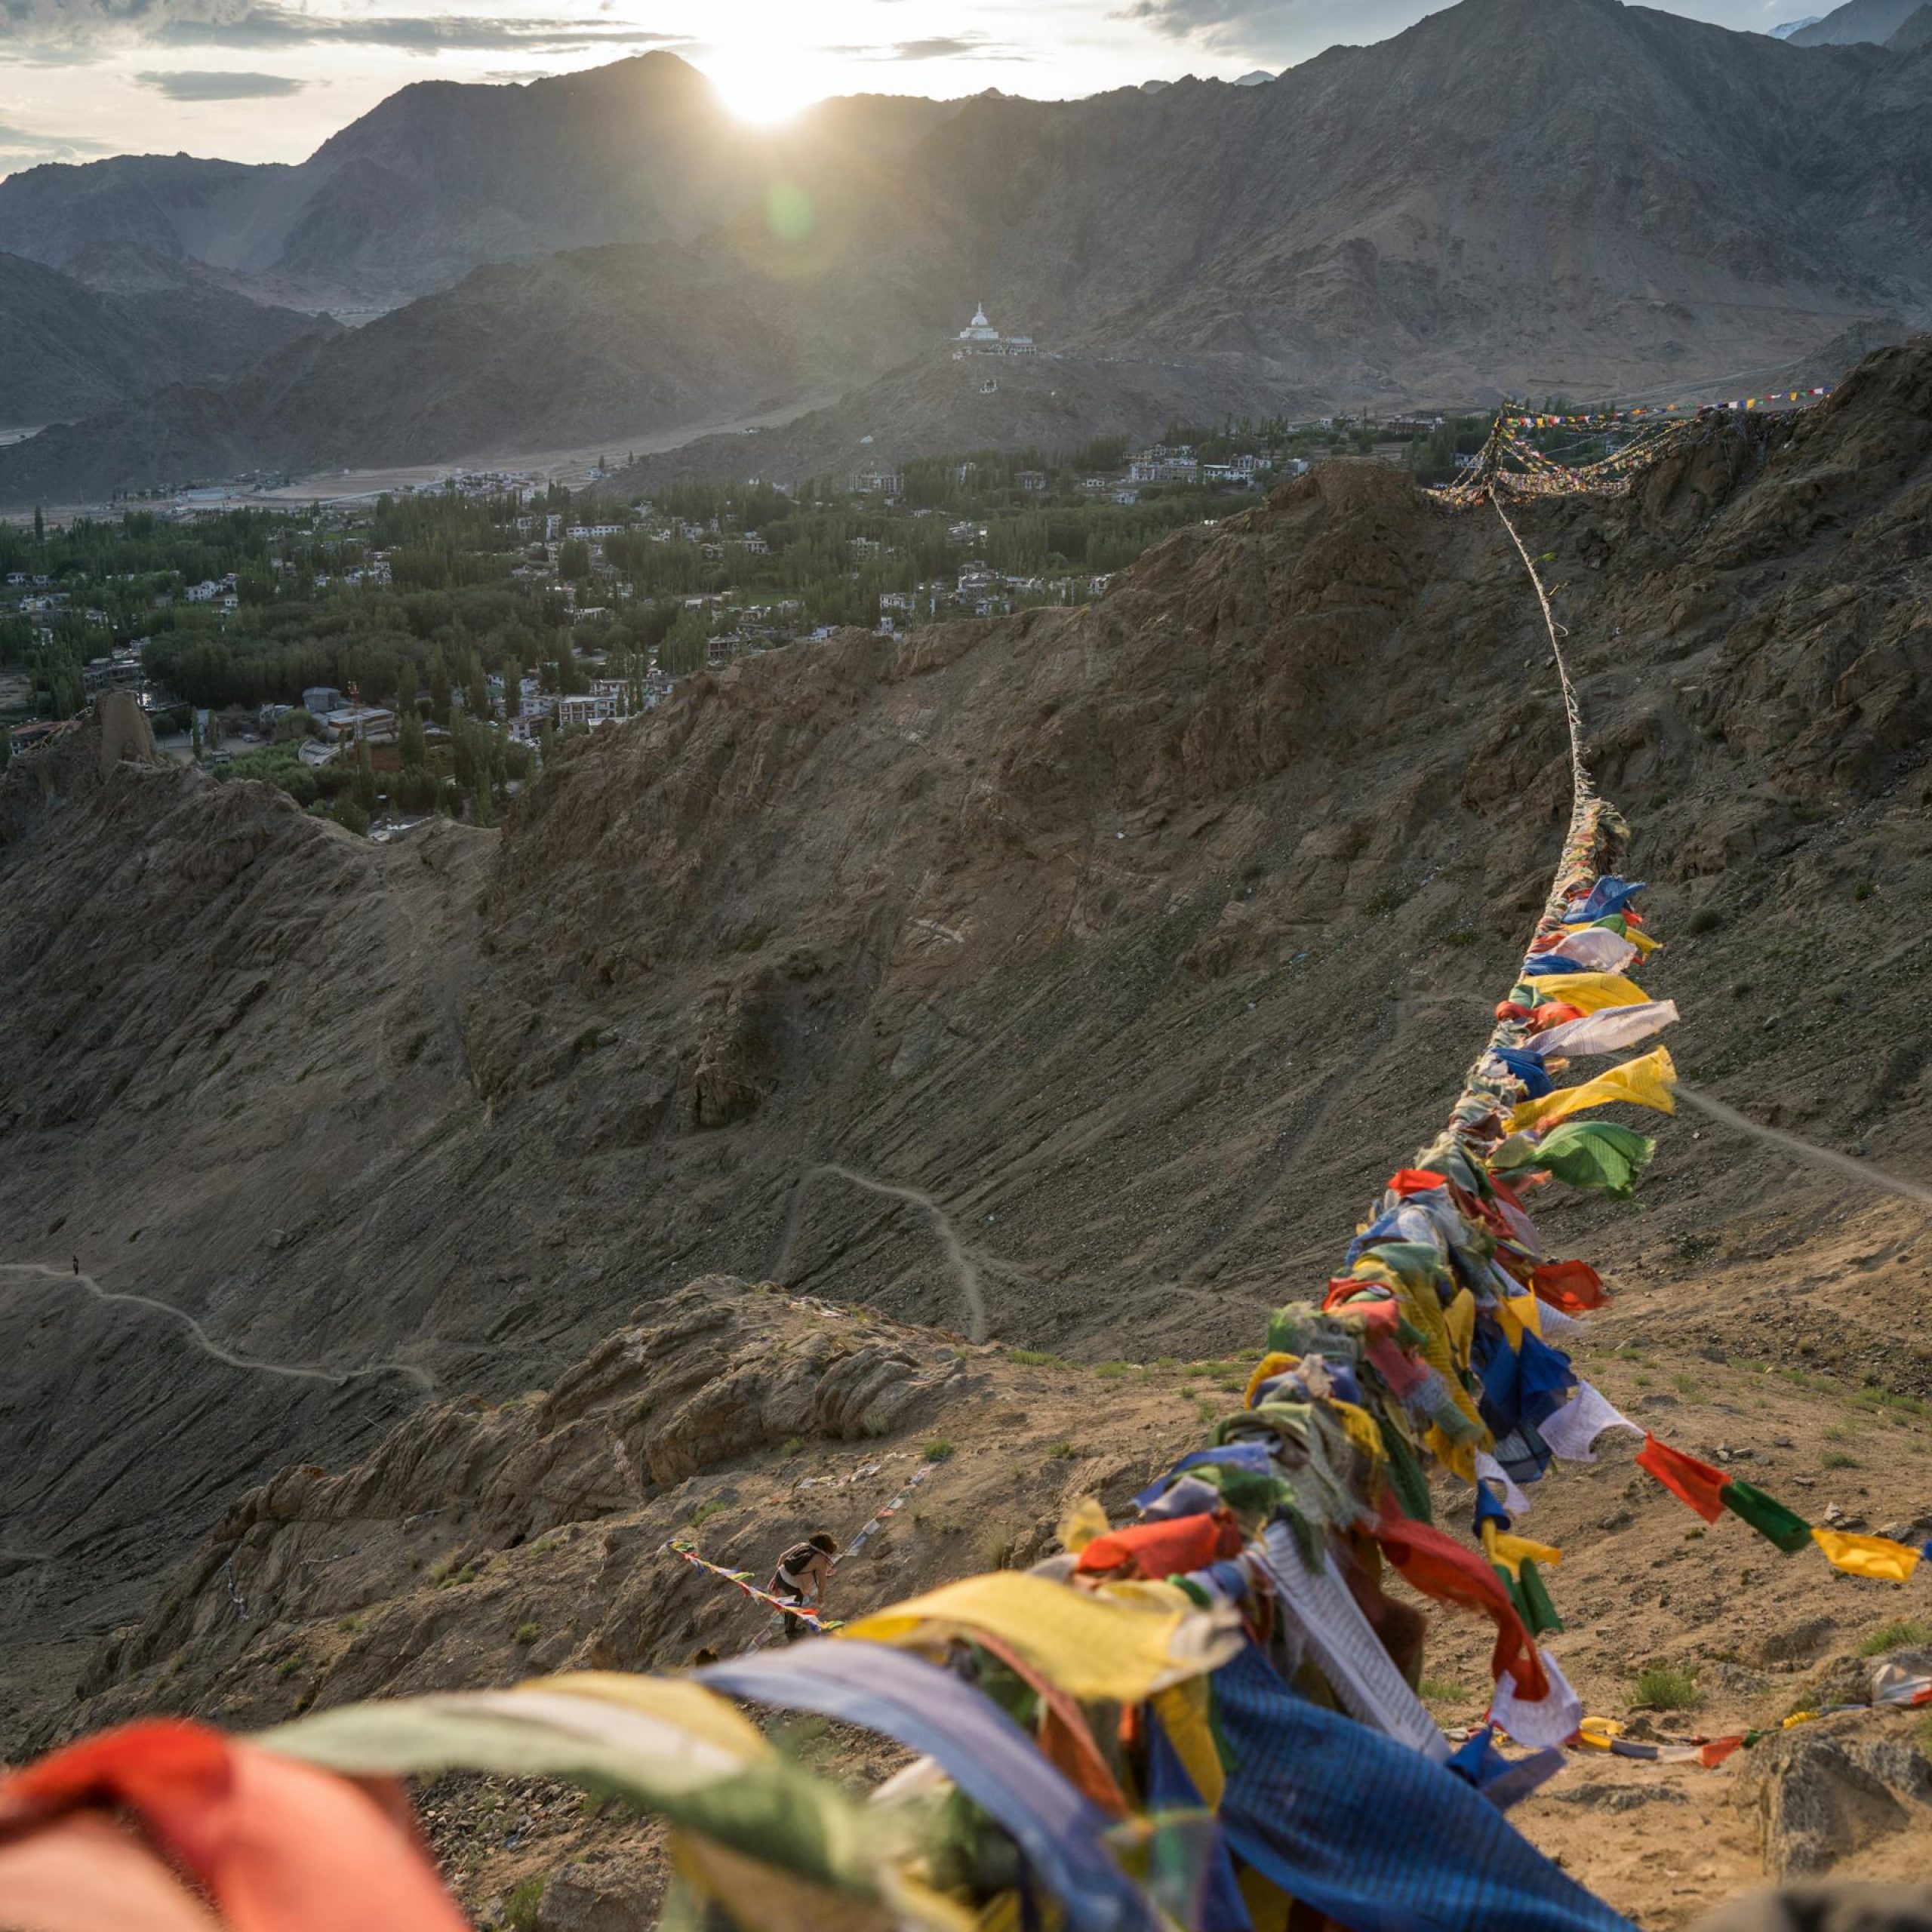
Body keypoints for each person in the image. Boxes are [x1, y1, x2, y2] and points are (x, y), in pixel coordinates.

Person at [768, 1532, 838, 1642]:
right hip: (792, 1586)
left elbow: (782, 1556)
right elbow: (822, 1580)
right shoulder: (821, 1559)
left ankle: (788, 1622)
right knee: (795, 1606)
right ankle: (790, 1631)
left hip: (779, 1576)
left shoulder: (802, 1545)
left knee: (790, 1602)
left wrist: (782, 1572)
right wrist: (820, 1597)